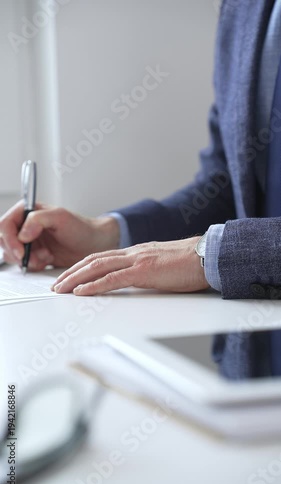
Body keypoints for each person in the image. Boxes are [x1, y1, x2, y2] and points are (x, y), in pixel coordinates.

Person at [1, 0, 281, 304]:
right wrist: (105, 235)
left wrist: (211, 253)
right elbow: (227, 187)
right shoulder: (242, 8)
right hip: (251, 342)